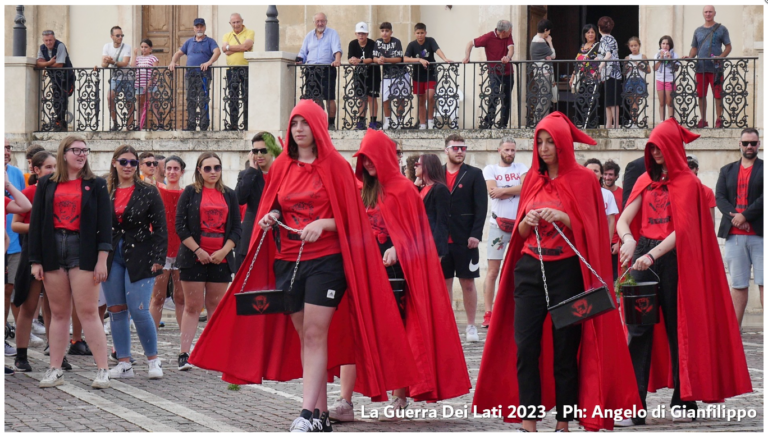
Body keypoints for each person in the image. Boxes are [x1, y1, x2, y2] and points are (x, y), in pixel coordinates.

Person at [188, 100, 418, 432]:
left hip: (327, 261)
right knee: (304, 335)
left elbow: (353, 221)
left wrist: (323, 224)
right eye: (294, 123)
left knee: (314, 332)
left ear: (317, 128)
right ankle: (321, 413)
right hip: (288, 261)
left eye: (305, 123)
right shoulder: (282, 166)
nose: (298, 129)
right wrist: (273, 215)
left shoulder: (337, 166)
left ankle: (307, 412)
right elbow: (277, 202)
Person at [474, 112, 640, 432]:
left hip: (567, 273)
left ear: (563, 143)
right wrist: (529, 219)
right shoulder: (532, 179)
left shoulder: (583, 180)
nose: (545, 147)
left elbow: (592, 231)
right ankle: (529, 419)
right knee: (526, 346)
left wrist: (563, 217)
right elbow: (521, 231)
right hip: (529, 270)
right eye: (540, 142)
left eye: (551, 141)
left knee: (566, 348)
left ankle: (564, 420)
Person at [616, 118, 752, 426]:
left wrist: (652, 254)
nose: (656, 153)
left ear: (672, 148)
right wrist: (628, 239)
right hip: (644, 258)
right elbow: (624, 219)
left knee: (680, 330)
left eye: (660, 147)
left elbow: (685, 229)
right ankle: (634, 405)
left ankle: (684, 401)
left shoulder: (690, 184)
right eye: (652, 147)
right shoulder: (643, 180)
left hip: (675, 260)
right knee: (638, 331)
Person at [328, 129, 470, 421]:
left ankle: (400, 398)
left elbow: (420, 237)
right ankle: (344, 402)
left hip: (396, 276)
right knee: (356, 334)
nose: (367, 165)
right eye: (363, 160)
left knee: (404, 335)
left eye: (371, 158)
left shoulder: (405, 190)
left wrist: (398, 248)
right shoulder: (360, 191)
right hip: (362, 274)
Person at [28, 135, 112, 389]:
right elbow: (36, 224)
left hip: (82, 249)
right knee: (59, 313)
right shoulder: (46, 184)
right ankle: (55, 368)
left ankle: (103, 370)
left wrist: (102, 260)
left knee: (88, 313)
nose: (81, 154)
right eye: (75, 150)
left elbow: (104, 226)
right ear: (64, 153)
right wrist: (35, 260)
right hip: (53, 248)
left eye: (84, 150)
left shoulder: (96, 184)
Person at [103, 145, 167, 380]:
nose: (128, 166)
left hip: (142, 252)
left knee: (139, 309)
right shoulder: (105, 190)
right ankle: (124, 363)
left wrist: (159, 258)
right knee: (116, 310)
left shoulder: (148, 191)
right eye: (124, 162)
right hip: (111, 253)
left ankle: (153, 359)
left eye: (133, 162)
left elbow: (161, 227)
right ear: (114, 163)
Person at [175, 152, 240, 371]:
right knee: (193, 306)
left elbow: (236, 229)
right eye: (208, 168)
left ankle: (215, 353)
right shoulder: (190, 193)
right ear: (199, 171)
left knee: (216, 306)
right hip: (193, 257)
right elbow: (180, 226)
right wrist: (198, 250)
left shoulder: (230, 195)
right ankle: (185, 353)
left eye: (217, 168)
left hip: (220, 258)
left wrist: (224, 251)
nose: (213, 172)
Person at [11, 151, 56, 372]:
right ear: (36, 170)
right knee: (28, 307)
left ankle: (56, 353)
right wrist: (39, 229)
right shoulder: (28, 191)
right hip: (32, 252)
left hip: (57, 254)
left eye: (55, 166)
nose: (53, 171)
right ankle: (21, 354)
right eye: (48, 167)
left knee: (54, 308)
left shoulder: (61, 191)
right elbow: (15, 225)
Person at [442, 134, 487, 342]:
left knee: (468, 283)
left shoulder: (474, 174)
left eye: (463, 148)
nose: (460, 151)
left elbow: (481, 207)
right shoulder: (437, 174)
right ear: (446, 150)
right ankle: (447, 325)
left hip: (465, 238)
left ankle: (470, 326)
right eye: (456, 148)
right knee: (445, 284)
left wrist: (476, 234)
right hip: (442, 240)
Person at [716, 128, 763, 328]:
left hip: (760, 235)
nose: (749, 147)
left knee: (764, 283)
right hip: (734, 236)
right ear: (739, 144)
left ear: (758, 144)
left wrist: (746, 215)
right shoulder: (726, 170)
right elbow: (720, 198)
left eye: (753, 143)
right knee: (738, 284)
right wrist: (736, 217)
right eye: (746, 143)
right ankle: (735, 332)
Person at [481, 137, 528, 328]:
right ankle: (488, 312)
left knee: (517, 270)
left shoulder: (522, 167)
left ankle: (511, 310)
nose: (510, 153)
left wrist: (503, 191)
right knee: (493, 271)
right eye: (507, 150)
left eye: (513, 150)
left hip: (519, 226)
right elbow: (492, 191)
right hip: (498, 225)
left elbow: (526, 188)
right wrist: (509, 190)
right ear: (499, 149)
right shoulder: (490, 169)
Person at [234, 132, 281, 271]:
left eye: (263, 150)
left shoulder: (282, 174)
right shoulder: (247, 175)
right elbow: (239, 199)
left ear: (272, 151)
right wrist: (252, 171)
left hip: (276, 237)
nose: (259, 155)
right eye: (255, 151)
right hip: (251, 238)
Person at [150, 156, 187, 329]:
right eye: (169, 168)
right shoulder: (155, 190)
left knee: (180, 297)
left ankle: (184, 345)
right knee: (157, 297)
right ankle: (151, 342)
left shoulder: (187, 193)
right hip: (160, 248)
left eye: (176, 169)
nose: (172, 172)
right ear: (164, 171)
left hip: (182, 248)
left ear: (182, 171)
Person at [169, 18, 221, 131]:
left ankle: (203, 125)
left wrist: (209, 62)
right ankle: (191, 125)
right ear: (193, 28)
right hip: (190, 75)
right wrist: (173, 62)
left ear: (205, 27)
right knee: (190, 99)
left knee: (203, 100)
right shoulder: (189, 42)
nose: (199, 28)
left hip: (204, 75)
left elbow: (217, 52)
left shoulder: (210, 41)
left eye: (201, 26)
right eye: (197, 26)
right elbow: (178, 53)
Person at [463, 20, 515, 129]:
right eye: (509, 31)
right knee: (494, 94)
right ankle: (488, 121)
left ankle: (503, 123)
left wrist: (508, 57)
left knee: (506, 98)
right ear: (503, 32)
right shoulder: (489, 37)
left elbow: (511, 49)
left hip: (507, 72)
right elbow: (470, 43)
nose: (511, 32)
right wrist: (467, 56)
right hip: (494, 72)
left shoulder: (508, 36)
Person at [688, 5, 731, 128]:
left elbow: (728, 47)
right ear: (703, 13)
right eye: (706, 12)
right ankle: (703, 120)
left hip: (716, 68)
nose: (708, 14)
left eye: (710, 12)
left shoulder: (722, 29)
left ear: (714, 13)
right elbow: (694, 48)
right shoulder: (698, 31)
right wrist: (690, 57)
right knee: (701, 95)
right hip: (700, 68)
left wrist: (721, 57)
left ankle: (719, 119)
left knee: (718, 95)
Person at [297, 12, 342, 130]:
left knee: (329, 97)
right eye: (318, 21)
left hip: (327, 69)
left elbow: (337, 49)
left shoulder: (332, 33)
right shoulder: (309, 36)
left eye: (322, 21)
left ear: (326, 22)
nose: (320, 23)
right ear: (314, 23)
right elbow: (303, 52)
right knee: (315, 99)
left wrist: (337, 60)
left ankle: (331, 124)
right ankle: (321, 122)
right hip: (311, 70)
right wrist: (299, 59)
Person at [404, 23, 452, 130]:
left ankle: (430, 122)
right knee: (421, 100)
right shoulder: (412, 45)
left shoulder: (430, 41)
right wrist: (419, 60)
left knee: (430, 96)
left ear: (425, 33)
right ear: (414, 34)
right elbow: (405, 58)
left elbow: (437, 49)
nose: (420, 35)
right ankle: (422, 124)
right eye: (418, 33)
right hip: (418, 75)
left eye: (422, 33)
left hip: (431, 73)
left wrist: (444, 58)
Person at [5, 140, 28, 357]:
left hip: (12, 241)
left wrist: (7, 185)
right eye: (3, 147)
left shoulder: (15, 174)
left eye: (9, 147)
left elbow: (24, 205)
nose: (7, 152)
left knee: (11, 289)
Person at [222, 13, 254, 131]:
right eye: (233, 22)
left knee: (246, 97)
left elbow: (247, 46)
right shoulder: (227, 35)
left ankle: (246, 124)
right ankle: (233, 124)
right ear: (230, 24)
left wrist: (231, 48)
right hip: (231, 70)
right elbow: (224, 49)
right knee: (233, 98)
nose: (236, 24)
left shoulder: (250, 32)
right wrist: (240, 47)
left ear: (242, 21)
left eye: (238, 22)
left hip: (245, 68)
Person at [36, 30, 73, 132]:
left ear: (54, 39)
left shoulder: (60, 46)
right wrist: (50, 62)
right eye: (46, 40)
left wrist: (46, 64)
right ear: (43, 40)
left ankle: (60, 122)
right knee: (56, 99)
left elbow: (60, 64)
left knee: (63, 99)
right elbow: (38, 63)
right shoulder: (42, 48)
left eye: (50, 40)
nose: (48, 43)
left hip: (66, 78)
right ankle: (60, 122)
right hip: (54, 78)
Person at [415, 154, 449, 258]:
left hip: (431, 245)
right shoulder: (423, 188)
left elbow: (442, 222)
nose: (414, 167)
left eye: (417, 164)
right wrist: (415, 186)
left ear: (426, 166)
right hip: (420, 243)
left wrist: (438, 251)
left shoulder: (440, 189)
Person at [348, 22, 381, 130]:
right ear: (355, 34)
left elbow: (372, 59)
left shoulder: (373, 43)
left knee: (372, 97)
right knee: (361, 98)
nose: (361, 36)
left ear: (367, 34)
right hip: (359, 74)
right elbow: (350, 58)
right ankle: (361, 122)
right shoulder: (352, 44)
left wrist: (360, 60)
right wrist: (353, 60)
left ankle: (373, 122)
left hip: (373, 73)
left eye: (363, 33)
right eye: (359, 33)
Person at [374, 22, 407, 130]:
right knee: (385, 98)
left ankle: (399, 121)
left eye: (387, 31)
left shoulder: (396, 42)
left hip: (400, 74)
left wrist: (385, 59)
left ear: (391, 32)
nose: (384, 33)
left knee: (400, 98)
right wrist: (378, 60)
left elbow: (399, 58)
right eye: (383, 31)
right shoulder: (378, 42)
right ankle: (388, 121)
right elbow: (374, 57)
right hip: (387, 75)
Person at [101, 26, 134, 131]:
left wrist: (112, 61)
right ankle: (115, 123)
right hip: (116, 77)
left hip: (128, 77)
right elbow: (104, 64)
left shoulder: (127, 47)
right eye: (118, 35)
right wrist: (106, 62)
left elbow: (125, 63)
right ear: (112, 36)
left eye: (122, 35)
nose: (120, 37)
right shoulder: (107, 46)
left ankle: (129, 125)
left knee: (129, 101)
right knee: (110, 97)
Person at [570, 24, 601, 129]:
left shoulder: (598, 46)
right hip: (582, 78)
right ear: (584, 35)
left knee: (591, 102)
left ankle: (591, 125)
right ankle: (582, 123)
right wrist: (573, 76)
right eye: (588, 32)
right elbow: (578, 63)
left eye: (592, 32)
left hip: (593, 77)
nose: (591, 34)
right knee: (581, 100)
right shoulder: (582, 46)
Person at [584, 158, 619, 241]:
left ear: (601, 174)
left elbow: (611, 221)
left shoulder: (608, 194)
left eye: (596, 171)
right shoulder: (577, 194)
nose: (592, 173)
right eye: (589, 170)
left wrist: (608, 242)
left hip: (601, 239)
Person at [529, 19, 556, 123]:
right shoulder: (540, 41)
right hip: (543, 74)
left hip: (540, 73)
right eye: (549, 31)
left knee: (543, 97)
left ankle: (541, 121)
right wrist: (550, 42)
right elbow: (553, 55)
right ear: (545, 30)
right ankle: (540, 121)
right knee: (544, 98)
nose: (549, 34)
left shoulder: (535, 39)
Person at [597, 16, 622, 129]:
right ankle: (610, 124)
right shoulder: (612, 39)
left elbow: (608, 55)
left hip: (610, 72)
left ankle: (614, 124)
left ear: (599, 28)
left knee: (612, 100)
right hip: (612, 73)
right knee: (610, 100)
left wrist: (601, 66)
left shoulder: (604, 39)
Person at [130, 39, 160, 131]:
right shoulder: (138, 58)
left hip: (151, 85)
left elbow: (155, 71)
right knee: (140, 104)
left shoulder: (153, 58)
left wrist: (149, 83)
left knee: (154, 104)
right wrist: (134, 55)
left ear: (150, 48)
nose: (144, 49)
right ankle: (139, 125)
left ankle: (159, 124)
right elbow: (133, 67)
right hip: (139, 84)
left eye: (146, 47)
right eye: (142, 47)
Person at [603, 159, 623, 278]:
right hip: (600, 240)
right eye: (605, 174)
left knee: (615, 277)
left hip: (615, 241)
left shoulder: (622, 193)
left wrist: (618, 242)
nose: (607, 177)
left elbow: (625, 219)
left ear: (616, 176)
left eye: (610, 174)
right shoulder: (597, 192)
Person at [624, 36, 650, 128]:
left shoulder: (643, 56)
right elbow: (624, 72)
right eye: (631, 46)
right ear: (629, 47)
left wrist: (640, 66)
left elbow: (648, 70)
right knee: (632, 102)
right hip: (630, 80)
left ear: (639, 46)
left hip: (639, 80)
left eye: (635, 45)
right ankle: (633, 120)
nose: (634, 47)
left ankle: (634, 121)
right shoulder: (627, 57)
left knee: (636, 101)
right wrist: (628, 67)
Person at [654, 36, 680, 121]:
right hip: (660, 79)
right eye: (663, 43)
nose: (665, 46)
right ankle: (662, 121)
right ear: (660, 45)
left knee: (669, 102)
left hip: (670, 80)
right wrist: (661, 59)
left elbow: (676, 68)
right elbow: (655, 68)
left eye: (667, 44)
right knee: (661, 102)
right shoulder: (657, 55)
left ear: (670, 46)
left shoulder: (674, 55)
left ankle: (670, 121)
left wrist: (671, 59)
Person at [686, 154, 716, 222]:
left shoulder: (707, 192)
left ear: (697, 169)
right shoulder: (677, 192)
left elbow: (711, 221)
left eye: (691, 167)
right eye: (685, 168)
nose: (688, 171)